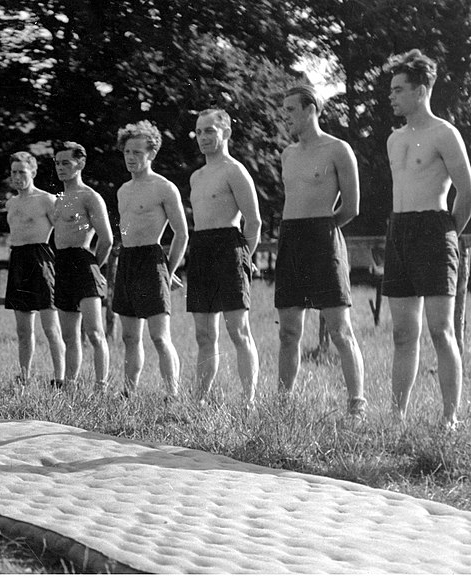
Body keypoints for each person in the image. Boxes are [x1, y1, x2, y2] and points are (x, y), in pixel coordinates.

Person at [383, 50, 471, 430]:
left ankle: (449, 418)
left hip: (436, 229)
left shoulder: (444, 133)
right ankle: (397, 417)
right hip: (399, 231)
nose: (392, 96)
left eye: (399, 90)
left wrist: (448, 231)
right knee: (404, 333)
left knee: (441, 329)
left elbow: (467, 189)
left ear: (420, 92)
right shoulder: (394, 138)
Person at [275, 86, 366, 418]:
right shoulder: (287, 154)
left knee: (339, 330)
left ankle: (357, 406)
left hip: (323, 238)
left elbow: (352, 207)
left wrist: (324, 230)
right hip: (290, 239)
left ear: (310, 108)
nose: (285, 117)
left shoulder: (338, 149)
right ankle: (283, 405)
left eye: (290, 110)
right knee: (288, 331)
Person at [188, 109, 261, 409]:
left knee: (238, 330)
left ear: (226, 133)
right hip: (202, 248)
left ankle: (249, 401)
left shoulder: (235, 170)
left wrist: (245, 258)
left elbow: (254, 222)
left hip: (230, 246)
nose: (204, 137)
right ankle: (199, 400)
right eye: (199, 132)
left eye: (210, 131)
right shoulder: (196, 176)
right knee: (204, 334)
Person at [113, 120, 189, 397]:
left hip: (152, 259)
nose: (131, 158)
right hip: (128, 261)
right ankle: (128, 393)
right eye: (127, 152)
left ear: (151, 154)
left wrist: (167, 272)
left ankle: (173, 395)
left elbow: (182, 233)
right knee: (130, 336)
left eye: (138, 152)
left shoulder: (164, 187)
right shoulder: (123, 191)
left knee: (159, 337)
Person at [53, 142, 113, 388]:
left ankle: (101, 386)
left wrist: (93, 268)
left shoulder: (89, 196)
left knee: (94, 333)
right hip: (62, 264)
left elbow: (107, 239)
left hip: (84, 262)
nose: (61, 168)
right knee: (69, 335)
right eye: (57, 163)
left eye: (66, 163)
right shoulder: (58, 199)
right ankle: (70, 385)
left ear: (81, 163)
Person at [4, 151, 65, 385]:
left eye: (22, 172)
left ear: (33, 172)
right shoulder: (11, 203)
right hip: (19, 259)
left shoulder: (47, 200)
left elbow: (62, 233)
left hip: (41, 258)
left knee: (50, 327)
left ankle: (59, 377)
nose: (18, 177)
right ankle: (24, 375)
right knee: (23, 329)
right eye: (14, 172)